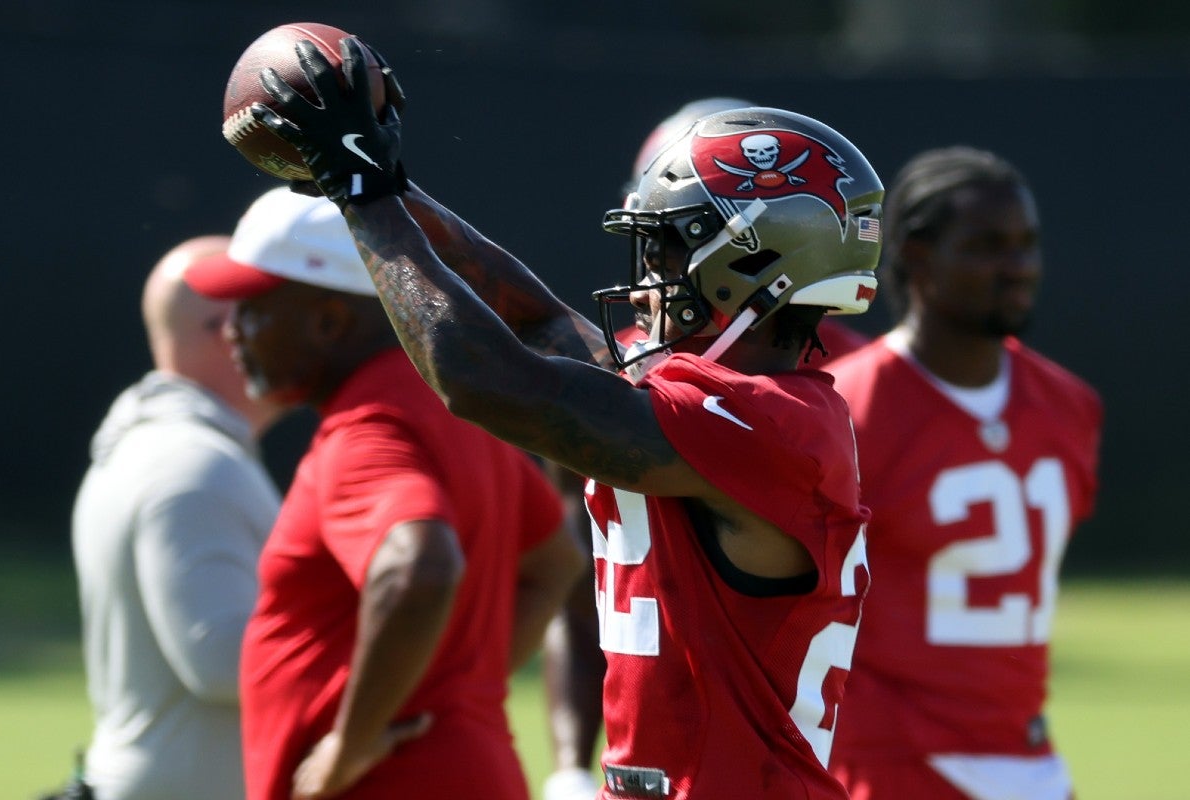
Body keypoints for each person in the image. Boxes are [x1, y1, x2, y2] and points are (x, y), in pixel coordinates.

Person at [247, 38, 881, 798]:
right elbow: (540, 322)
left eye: (667, 247)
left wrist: (361, 195)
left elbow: (488, 381)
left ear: (750, 260)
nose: (646, 276)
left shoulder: (776, 423)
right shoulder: (716, 402)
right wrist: (385, 181)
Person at [182, 186, 582, 800]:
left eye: (251, 306)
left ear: (327, 321)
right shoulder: (451, 408)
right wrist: (454, 690)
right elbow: (555, 563)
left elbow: (418, 564)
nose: (231, 331)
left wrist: (351, 740)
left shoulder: (368, 429)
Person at [823, 146, 1103, 799]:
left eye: (1027, 245)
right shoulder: (846, 410)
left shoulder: (1071, 405)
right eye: (988, 246)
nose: (1019, 267)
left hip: (1029, 758)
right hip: (891, 762)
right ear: (917, 257)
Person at [71, 236, 286, 800]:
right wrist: (398, 629)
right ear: (233, 328)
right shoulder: (194, 463)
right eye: (287, 307)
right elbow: (221, 659)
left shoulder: (166, 449)